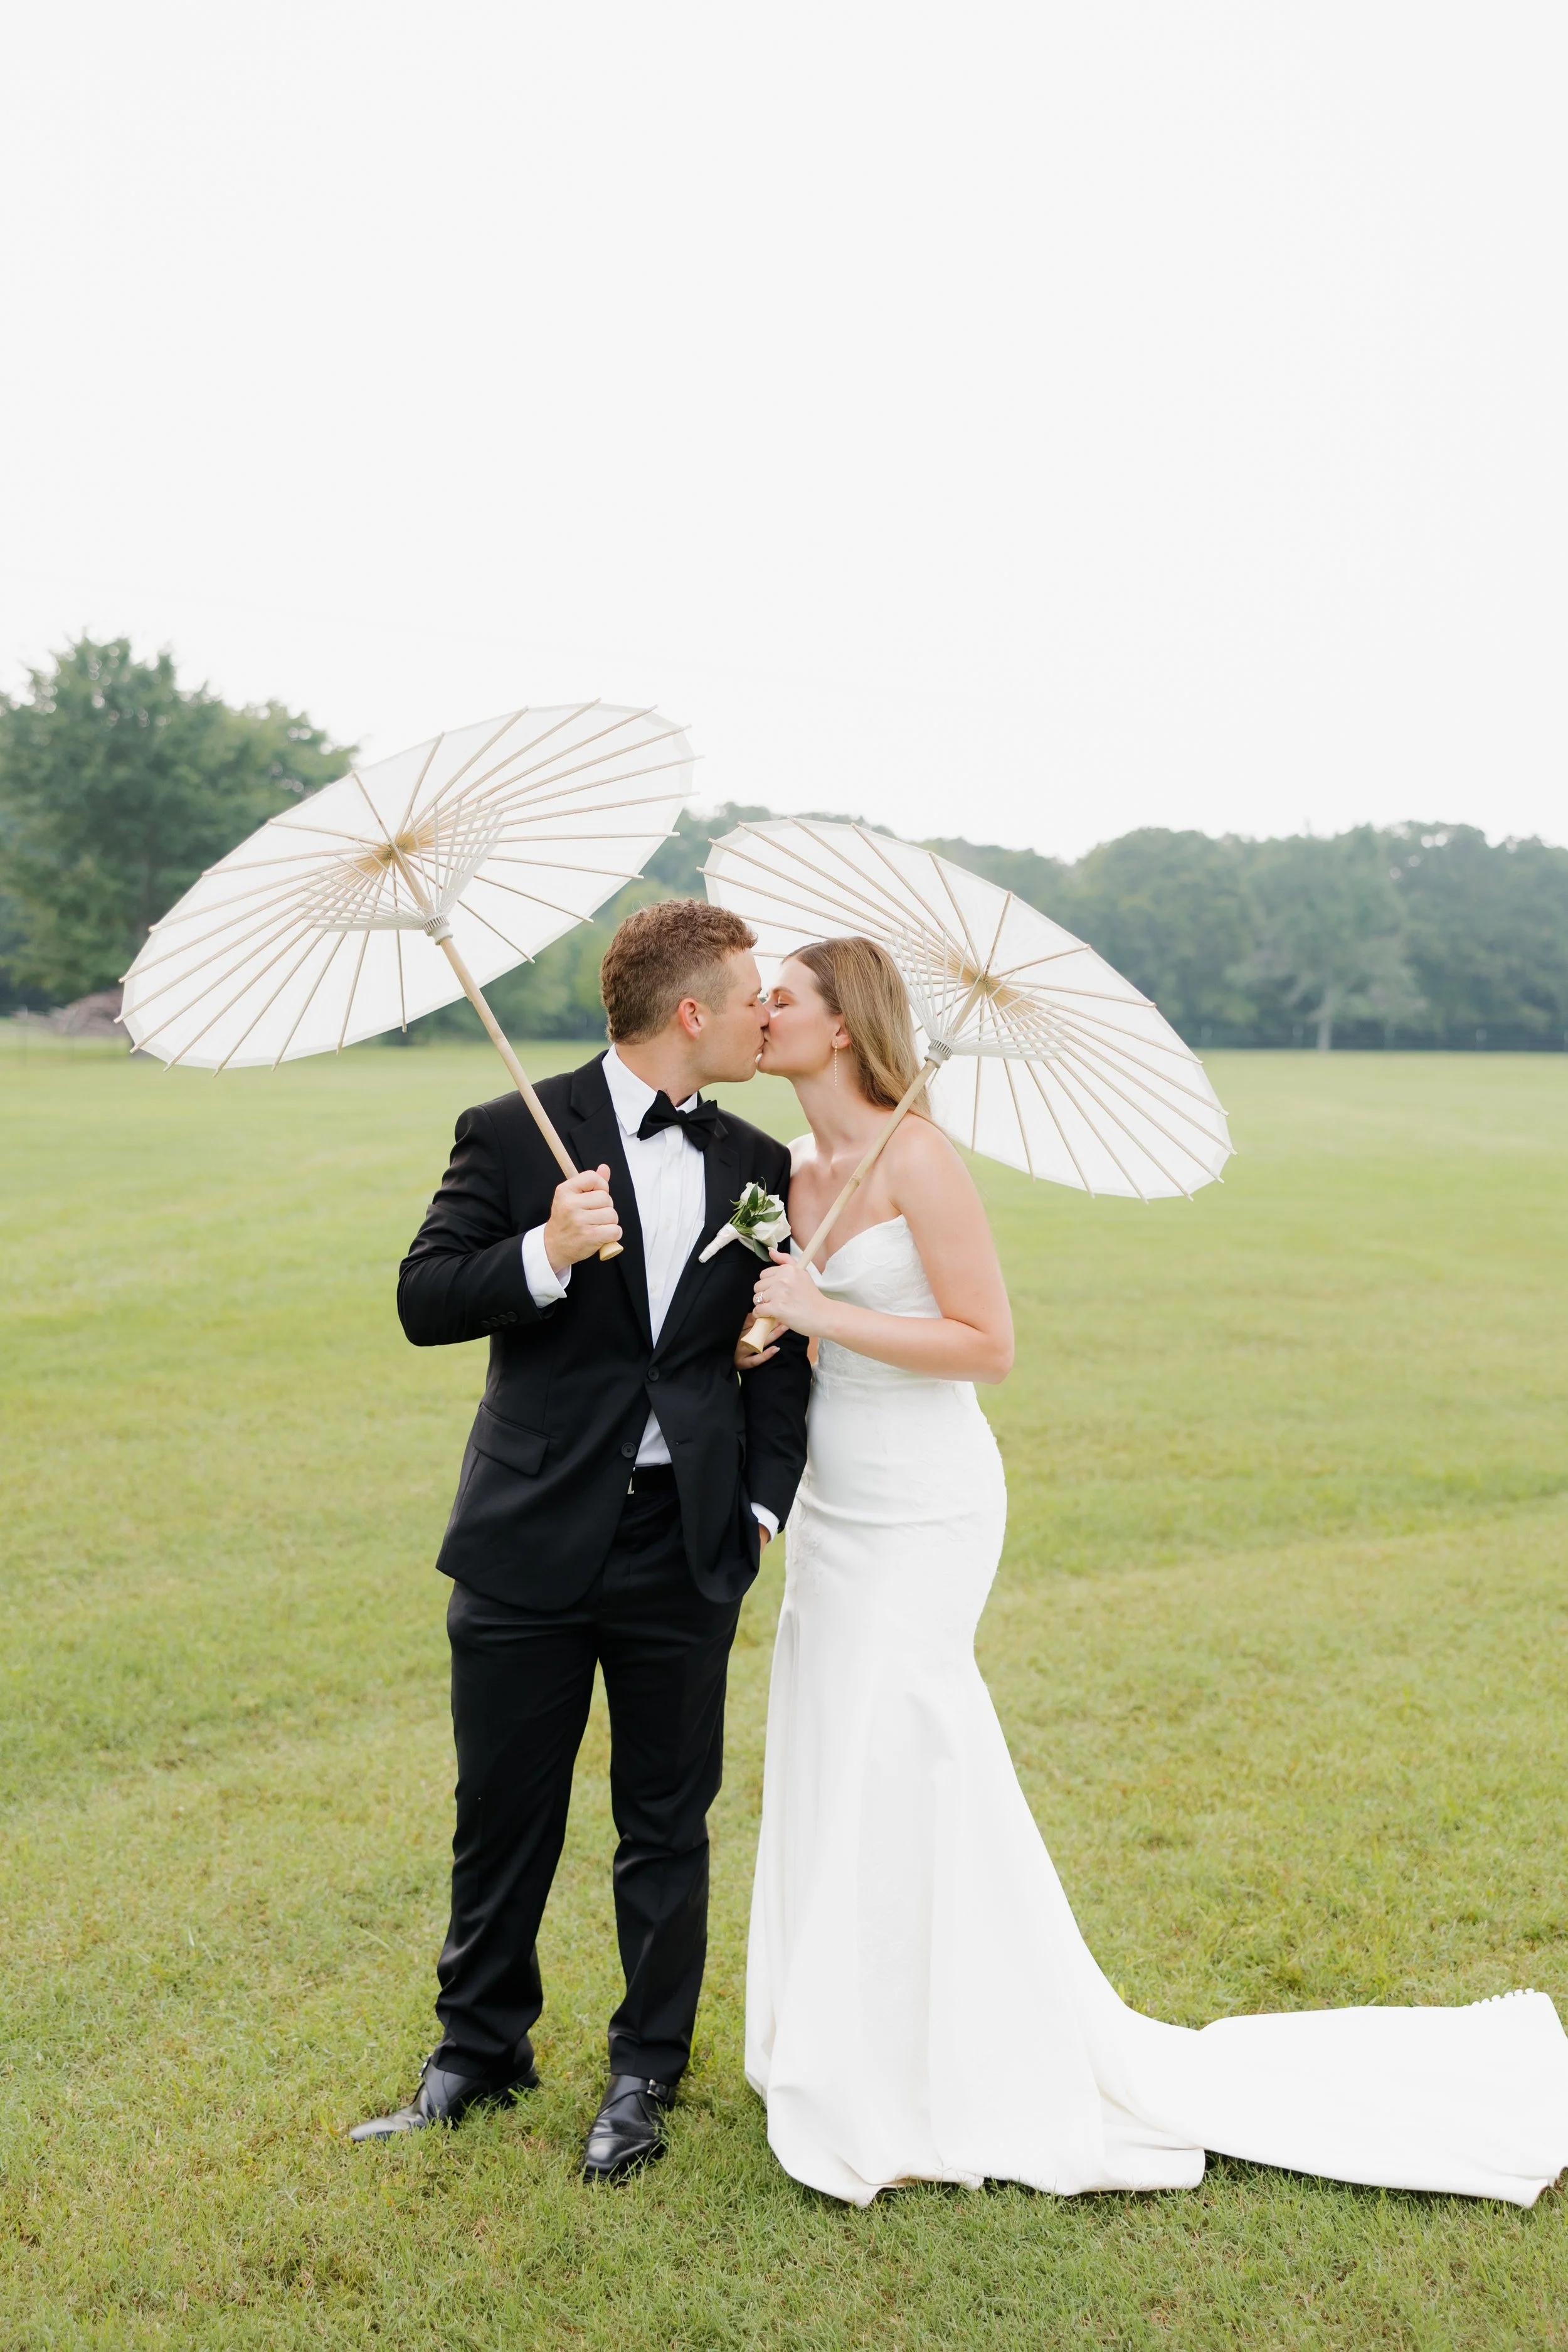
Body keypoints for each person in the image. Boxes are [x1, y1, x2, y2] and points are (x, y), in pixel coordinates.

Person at [741, 933, 1568, 2208]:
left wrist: (822, 1313)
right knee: (833, 1744)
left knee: (908, 1740)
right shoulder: (796, 1168)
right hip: (831, 1501)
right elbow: (810, 1336)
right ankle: (854, 2036)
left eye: (779, 998)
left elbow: (986, 1345)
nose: (757, 1012)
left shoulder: (920, 1156)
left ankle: (967, 2056)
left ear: (840, 1026)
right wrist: (773, 1334)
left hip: (924, 1502)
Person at [352, 900, 812, 2180]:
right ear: (690, 1013)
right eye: (750, 996)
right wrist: (543, 1252)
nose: (764, 1015)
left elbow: (780, 1361)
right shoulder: (509, 1132)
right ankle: (477, 2055)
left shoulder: (760, 1165)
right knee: (501, 1810)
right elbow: (423, 1296)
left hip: (685, 1542)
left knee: (666, 1822)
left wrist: (761, 1504)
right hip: (525, 1538)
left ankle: (644, 2075)